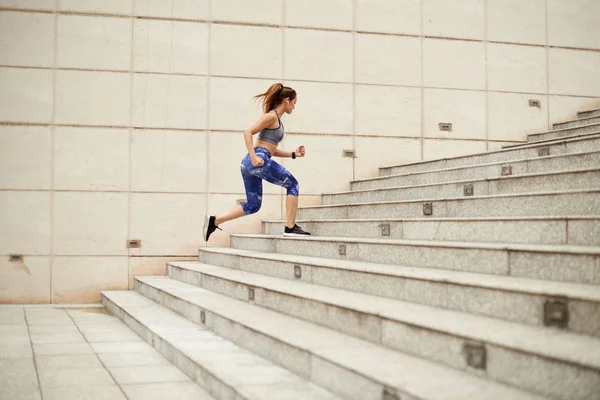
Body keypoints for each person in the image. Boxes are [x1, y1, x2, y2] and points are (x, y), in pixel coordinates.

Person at [203, 83, 311, 242]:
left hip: (251, 163)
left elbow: (271, 150)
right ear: (287, 100)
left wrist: (294, 154)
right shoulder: (271, 116)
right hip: (256, 159)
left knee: (253, 205)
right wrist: (254, 156)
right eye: (294, 103)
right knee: (292, 184)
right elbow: (248, 132)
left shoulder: (276, 119)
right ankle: (290, 227)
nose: (294, 107)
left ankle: (214, 220)